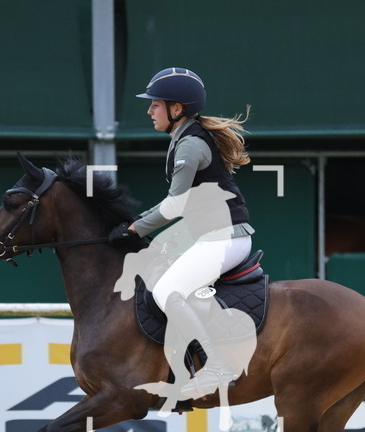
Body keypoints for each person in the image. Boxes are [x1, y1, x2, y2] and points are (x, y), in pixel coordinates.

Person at [109, 67, 256, 400]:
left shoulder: (190, 146)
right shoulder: (186, 138)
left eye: (156, 105)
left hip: (225, 239)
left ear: (177, 109)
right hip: (212, 236)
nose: (149, 111)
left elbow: (174, 206)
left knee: (167, 291)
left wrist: (135, 228)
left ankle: (216, 365)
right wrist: (134, 223)